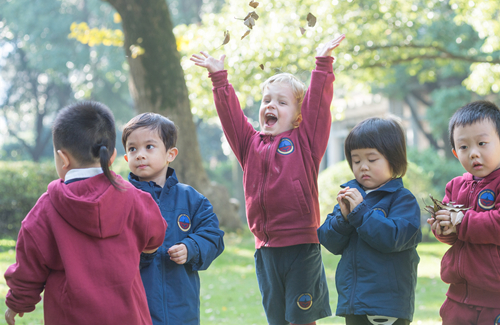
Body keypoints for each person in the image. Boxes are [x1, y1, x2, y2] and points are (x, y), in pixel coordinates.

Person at [190, 34, 345, 325]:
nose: (270, 105)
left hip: (301, 246)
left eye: (282, 102)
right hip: (266, 249)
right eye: (266, 100)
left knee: (301, 319)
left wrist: (322, 62)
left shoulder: (305, 141)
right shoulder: (249, 144)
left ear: (298, 116)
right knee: (277, 319)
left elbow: (318, 108)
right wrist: (219, 79)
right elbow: (231, 116)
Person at [4, 101, 167, 325]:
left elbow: (29, 266)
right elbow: (155, 237)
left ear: (63, 158)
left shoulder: (46, 209)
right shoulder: (136, 199)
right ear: (112, 157)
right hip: (129, 316)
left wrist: (17, 303)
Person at [122, 112, 225, 325]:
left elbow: (213, 236)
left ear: (171, 153)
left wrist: (192, 247)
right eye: (132, 149)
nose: (140, 154)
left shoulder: (192, 199)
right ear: (126, 158)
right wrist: (142, 253)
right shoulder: (121, 199)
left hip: (182, 307)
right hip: (137, 307)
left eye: (149, 147)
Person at [317, 117, 422, 325]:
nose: (363, 166)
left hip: (386, 304)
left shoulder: (403, 199)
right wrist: (344, 219)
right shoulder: (352, 196)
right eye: (356, 161)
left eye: (372, 160)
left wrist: (361, 214)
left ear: (394, 159)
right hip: (354, 303)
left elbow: (392, 238)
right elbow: (330, 241)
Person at [428, 101, 500, 324]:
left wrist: (460, 221)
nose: (473, 153)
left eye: (482, 143)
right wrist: (443, 228)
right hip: (458, 295)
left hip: (495, 298)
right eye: (464, 147)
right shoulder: (455, 186)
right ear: (454, 152)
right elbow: (453, 235)